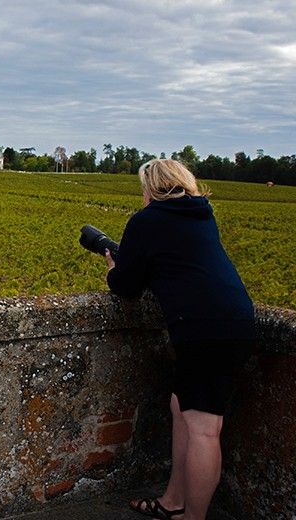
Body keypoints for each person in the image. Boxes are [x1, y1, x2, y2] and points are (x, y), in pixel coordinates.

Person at [106, 159, 255, 520]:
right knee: (181, 407)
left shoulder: (146, 221)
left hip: (203, 329)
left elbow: (127, 286)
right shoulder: (202, 215)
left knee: (205, 429)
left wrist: (113, 269)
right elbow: (178, 264)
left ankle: (193, 516)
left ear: (151, 188)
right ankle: (173, 501)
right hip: (235, 319)